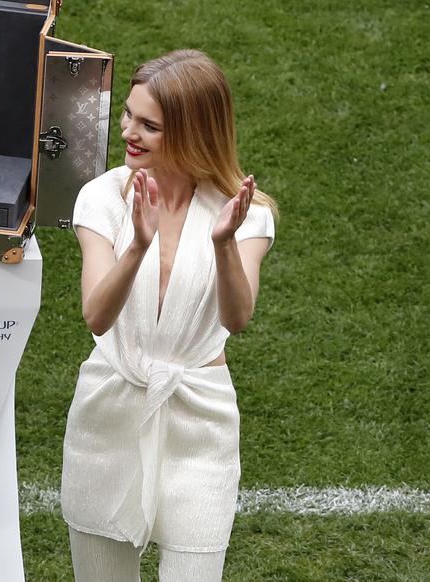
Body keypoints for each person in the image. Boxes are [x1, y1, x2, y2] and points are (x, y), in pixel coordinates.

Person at [60, 50, 278, 581]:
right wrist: (138, 244)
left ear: (191, 131)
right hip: (108, 413)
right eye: (128, 115)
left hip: (200, 423)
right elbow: (96, 316)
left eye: (148, 125)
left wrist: (224, 242)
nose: (128, 132)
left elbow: (238, 316)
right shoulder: (102, 197)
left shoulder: (245, 213)